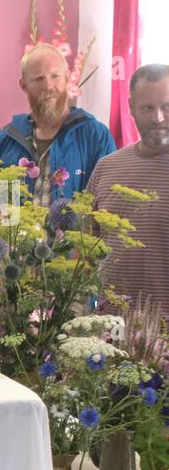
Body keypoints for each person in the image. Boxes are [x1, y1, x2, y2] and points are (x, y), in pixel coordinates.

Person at [0, 43, 115, 210]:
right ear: (23, 85)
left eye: (55, 76)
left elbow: (108, 206)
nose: (48, 86)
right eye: (39, 78)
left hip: (74, 237)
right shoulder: (3, 141)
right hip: (13, 237)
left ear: (67, 77)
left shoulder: (96, 137)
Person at [87, 63, 169, 315]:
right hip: (110, 332)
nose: (158, 118)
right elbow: (85, 249)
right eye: (147, 108)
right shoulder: (107, 168)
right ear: (131, 107)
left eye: (166, 106)